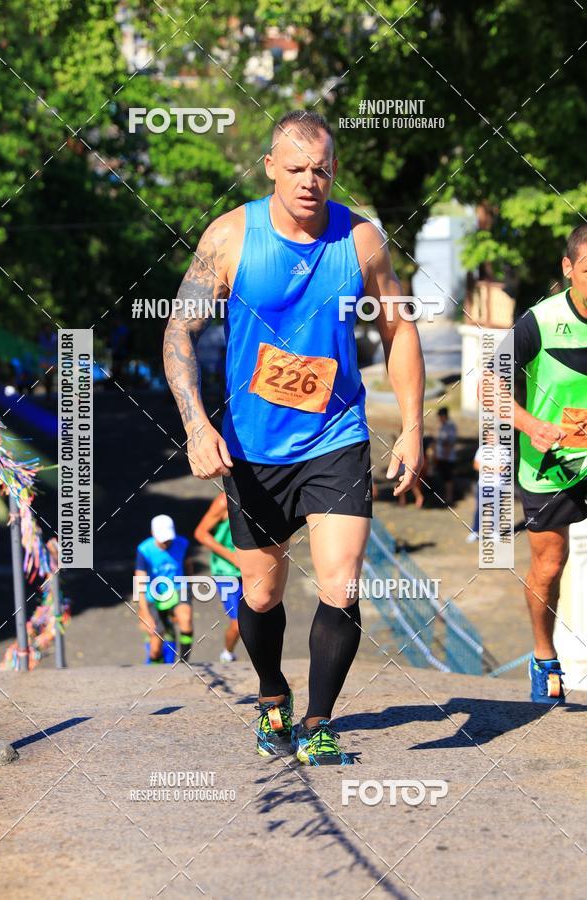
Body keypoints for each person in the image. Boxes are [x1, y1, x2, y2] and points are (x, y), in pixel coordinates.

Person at [164, 109, 425, 765]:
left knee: (340, 585)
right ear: (271, 170)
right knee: (261, 592)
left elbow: (399, 331)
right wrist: (196, 423)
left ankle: (317, 723)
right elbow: (177, 332)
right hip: (253, 445)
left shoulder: (361, 240)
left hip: (336, 435)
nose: (311, 181)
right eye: (298, 169)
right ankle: (273, 693)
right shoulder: (229, 238)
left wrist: (415, 428)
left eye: (323, 169)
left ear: (333, 171)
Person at [514, 224, 587, 704]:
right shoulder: (538, 322)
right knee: (549, 563)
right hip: (549, 462)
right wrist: (530, 425)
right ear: (568, 269)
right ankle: (544, 656)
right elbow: (489, 391)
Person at [134, 515, 194, 664]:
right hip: (153, 595)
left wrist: (190, 590)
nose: (167, 542)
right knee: (155, 647)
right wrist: (144, 614)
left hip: (177, 587)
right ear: (153, 534)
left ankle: (183, 664)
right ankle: (157, 670)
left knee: (186, 620)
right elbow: (139, 583)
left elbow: (188, 567)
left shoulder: (183, 544)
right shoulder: (144, 550)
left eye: (168, 538)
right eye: (163, 539)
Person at [194, 493, 242, 663]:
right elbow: (200, 533)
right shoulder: (223, 502)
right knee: (238, 624)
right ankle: (227, 655)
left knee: (263, 617)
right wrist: (232, 557)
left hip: (252, 569)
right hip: (226, 572)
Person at [466, 431, 512, 543]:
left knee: (496, 509)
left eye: (493, 436)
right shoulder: (482, 450)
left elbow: (502, 468)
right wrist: (493, 468)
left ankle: (494, 532)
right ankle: (475, 531)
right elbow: (476, 465)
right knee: (479, 509)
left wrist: (486, 467)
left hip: (497, 485)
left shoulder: (503, 451)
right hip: (483, 485)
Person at [435, 406, 457, 506]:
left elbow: (449, 442)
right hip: (441, 456)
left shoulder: (450, 426)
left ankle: (449, 498)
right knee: (444, 478)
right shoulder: (443, 426)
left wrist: (445, 455)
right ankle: (445, 496)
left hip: (447, 457)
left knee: (448, 479)